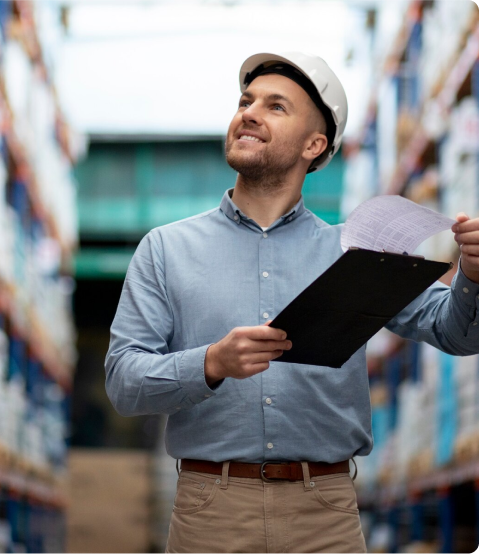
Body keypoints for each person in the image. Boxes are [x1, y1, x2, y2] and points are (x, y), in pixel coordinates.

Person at [105, 51, 479, 553]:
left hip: (324, 514)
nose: (250, 112)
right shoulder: (166, 249)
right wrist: (211, 363)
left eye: (275, 106)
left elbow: (456, 333)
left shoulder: (359, 254)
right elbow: (124, 383)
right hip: (210, 514)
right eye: (246, 101)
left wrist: (472, 276)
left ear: (314, 144)